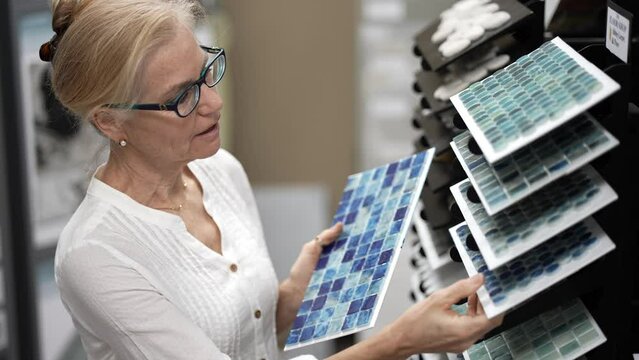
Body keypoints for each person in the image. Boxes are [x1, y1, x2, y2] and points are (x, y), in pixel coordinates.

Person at [46, 0, 503, 359]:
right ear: (109, 122)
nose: (214, 102)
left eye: (206, 72)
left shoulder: (220, 170)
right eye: (182, 96)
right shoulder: (95, 256)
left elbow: (246, 340)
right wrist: (401, 341)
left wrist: (294, 293)